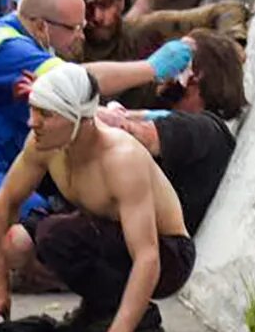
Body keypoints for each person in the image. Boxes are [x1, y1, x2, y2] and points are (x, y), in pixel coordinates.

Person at [0, 0, 194, 291]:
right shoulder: (9, 50)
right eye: (74, 28)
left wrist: (143, 117)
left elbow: (77, 107)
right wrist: (151, 69)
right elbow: (80, 82)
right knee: (32, 218)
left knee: (36, 207)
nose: (81, 35)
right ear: (41, 26)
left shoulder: (10, 35)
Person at [0, 64, 195, 332]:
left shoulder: (122, 159)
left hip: (169, 257)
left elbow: (148, 255)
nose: (33, 123)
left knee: (58, 235)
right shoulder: (43, 144)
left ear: (80, 119)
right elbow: (4, 204)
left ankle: (134, 317)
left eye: (46, 114)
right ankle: (99, 306)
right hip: (106, 231)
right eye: (34, 110)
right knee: (18, 241)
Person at [94, 28, 246, 235]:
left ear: (196, 74)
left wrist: (147, 70)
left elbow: (132, 131)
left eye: (180, 55)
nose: (167, 58)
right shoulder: (185, 124)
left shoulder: (205, 129)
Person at [68, 0, 248, 65]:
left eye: (105, 5)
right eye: (88, 9)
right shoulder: (65, 50)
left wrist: (232, 44)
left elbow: (228, 10)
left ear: (121, 1)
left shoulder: (143, 31)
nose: (97, 17)